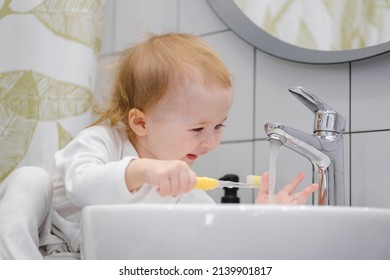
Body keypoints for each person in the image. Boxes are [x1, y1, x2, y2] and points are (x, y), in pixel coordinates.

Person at [0, 32, 318, 259]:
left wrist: (259, 219)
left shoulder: (182, 184)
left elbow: (213, 238)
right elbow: (82, 188)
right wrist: (143, 170)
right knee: (29, 178)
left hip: (81, 262)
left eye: (219, 126)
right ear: (141, 122)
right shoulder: (103, 141)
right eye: (197, 128)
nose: (211, 141)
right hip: (39, 244)